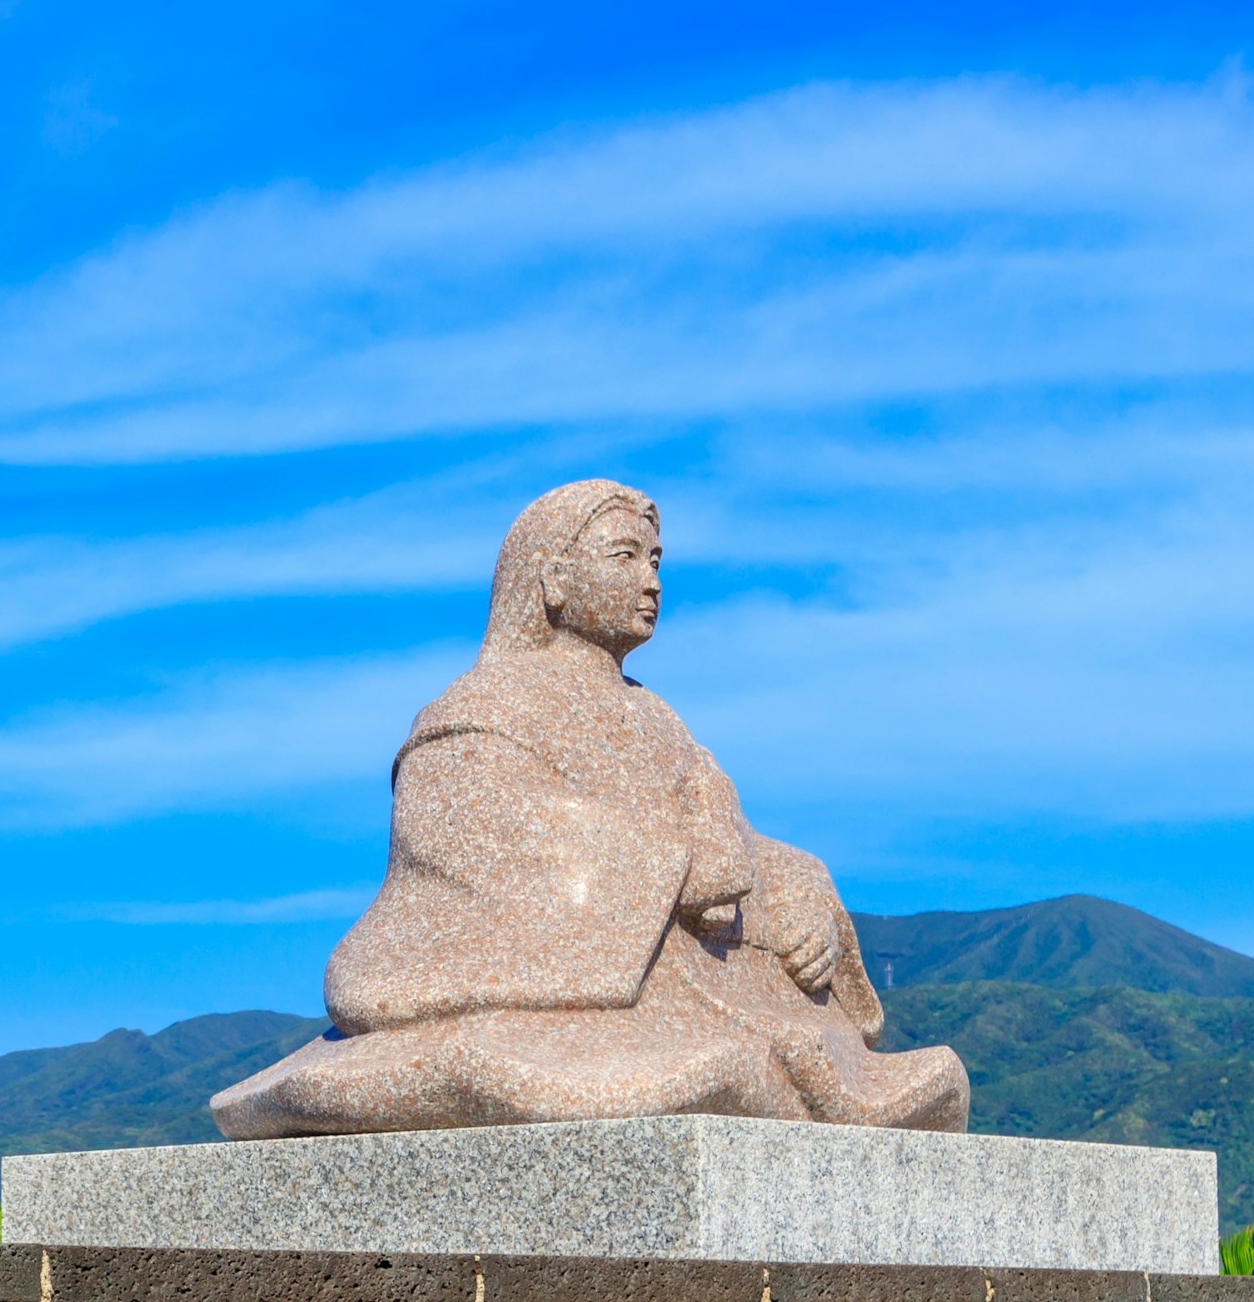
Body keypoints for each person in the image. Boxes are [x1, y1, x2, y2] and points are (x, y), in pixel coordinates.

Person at [211, 478, 967, 1137]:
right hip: (591, 974)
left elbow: (738, 841)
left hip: (709, 986)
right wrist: (665, 870)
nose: (652, 582)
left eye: (657, 561)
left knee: (869, 1073)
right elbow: (474, 835)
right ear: (552, 582)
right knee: (677, 1071)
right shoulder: (477, 711)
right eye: (624, 558)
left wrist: (798, 894)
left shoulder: (658, 719)